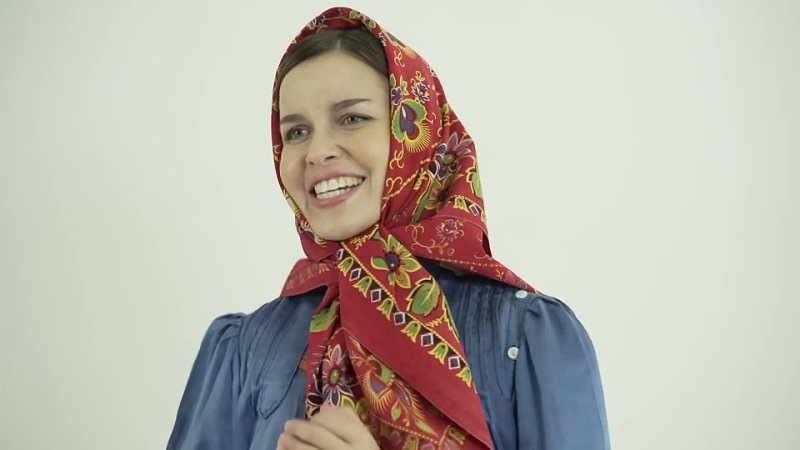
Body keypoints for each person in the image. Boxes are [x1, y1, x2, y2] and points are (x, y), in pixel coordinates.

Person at [167, 6, 610, 450]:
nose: (317, 151)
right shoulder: (242, 350)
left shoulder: (527, 338)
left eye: (352, 118)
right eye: (297, 132)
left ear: (416, 131)